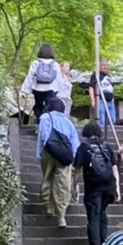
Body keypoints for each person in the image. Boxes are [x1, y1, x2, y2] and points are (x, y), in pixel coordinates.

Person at [74, 121, 120, 245]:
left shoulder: (84, 147)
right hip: (108, 186)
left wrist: (74, 187)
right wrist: (117, 188)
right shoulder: (107, 146)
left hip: (93, 188)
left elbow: (77, 170)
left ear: (86, 132)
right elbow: (114, 168)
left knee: (93, 217)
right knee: (102, 214)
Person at [36, 97, 79, 227]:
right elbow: (75, 143)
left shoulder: (45, 117)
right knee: (62, 183)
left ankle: (48, 207)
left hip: (48, 153)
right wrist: (72, 157)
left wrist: (42, 153)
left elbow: (43, 136)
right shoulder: (68, 122)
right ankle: (61, 216)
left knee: (48, 178)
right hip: (64, 156)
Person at [22, 42, 61, 121]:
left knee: (38, 106)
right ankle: (48, 123)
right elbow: (59, 78)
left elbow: (30, 77)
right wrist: (59, 90)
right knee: (50, 106)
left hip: (37, 89)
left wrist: (25, 90)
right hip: (51, 89)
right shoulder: (55, 64)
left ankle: (39, 122)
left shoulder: (35, 63)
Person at [89, 58, 117, 130]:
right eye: (103, 65)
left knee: (113, 120)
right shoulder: (96, 75)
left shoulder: (108, 75)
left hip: (110, 101)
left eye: (107, 65)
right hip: (101, 100)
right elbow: (91, 87)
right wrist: (93, 100)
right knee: (102, 120)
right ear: (100, 66)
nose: (105, 67)